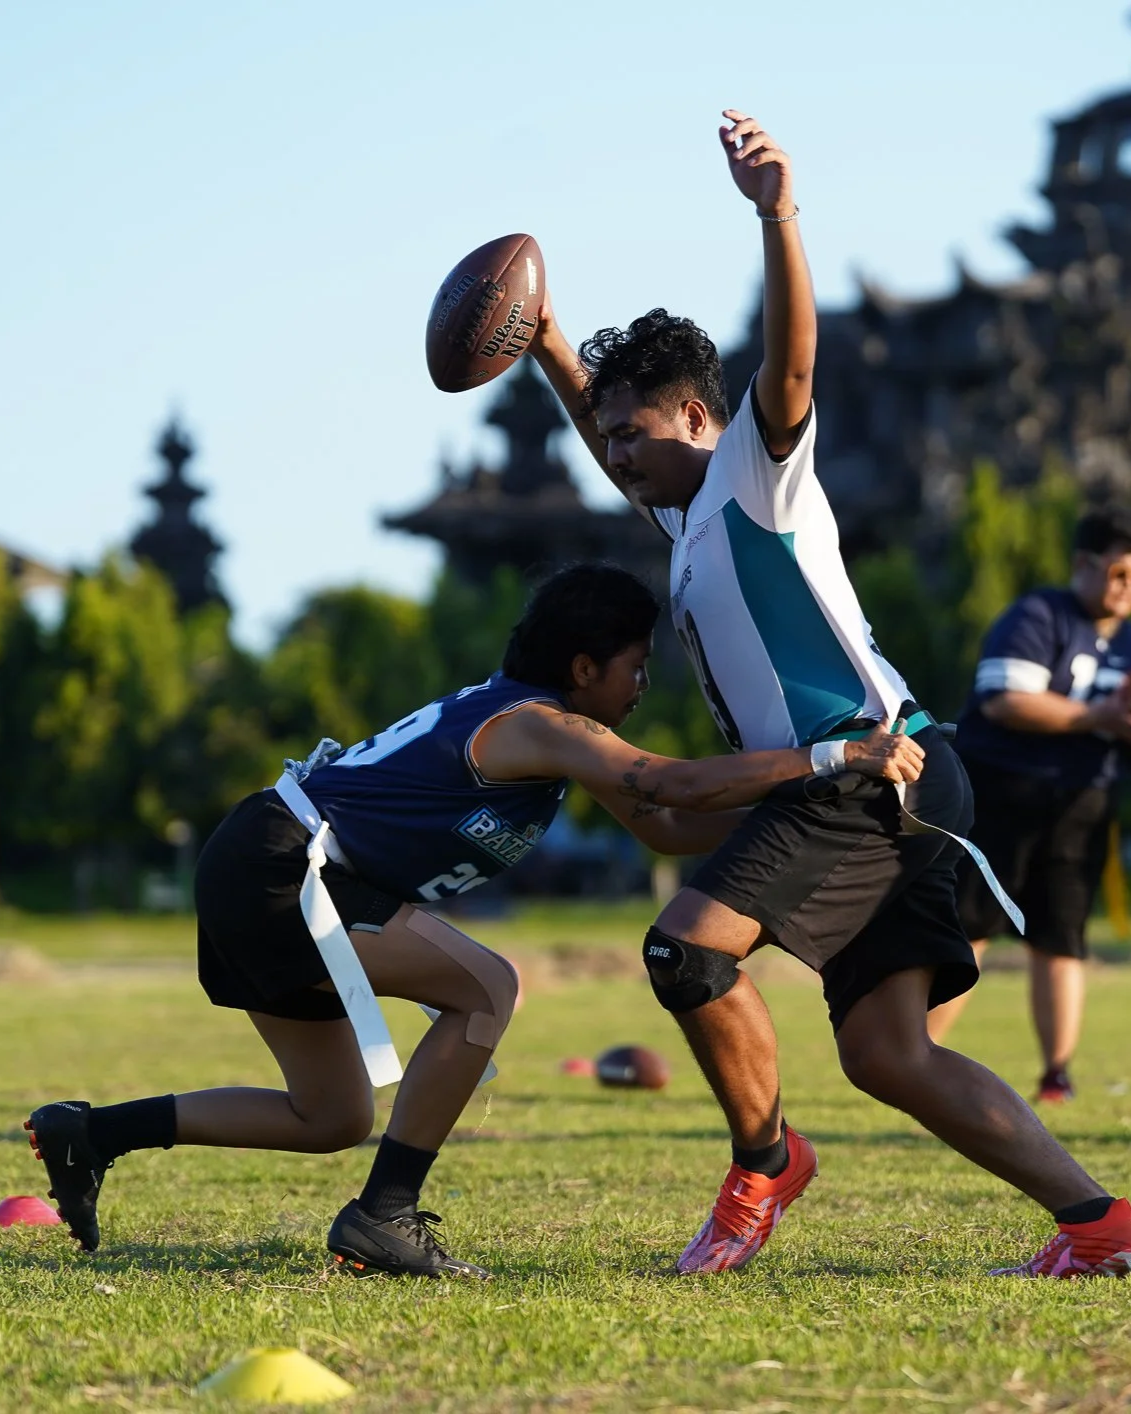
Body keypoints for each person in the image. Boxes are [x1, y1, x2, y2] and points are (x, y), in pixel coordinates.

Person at [529, 112, 1131, 1279]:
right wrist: (552, 339)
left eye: (634, 432)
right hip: (892, 768)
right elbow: (603, 426)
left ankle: (766, 1161)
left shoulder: (756, 469)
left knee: (686, 953)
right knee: (891, 1055)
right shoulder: (684, 508)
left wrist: (776, 213)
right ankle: (1103, 1224)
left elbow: (792, 360)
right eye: (608, 436)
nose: (617, 455)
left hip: (861, 769)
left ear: (702, 417)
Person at [25, 563, 921, 1281]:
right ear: (582, 670)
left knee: (329, 1114)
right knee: (488, 986)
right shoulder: (537, 723)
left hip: (265, 857)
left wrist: (814, 806)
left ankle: (92, 1133)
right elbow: (667, 781)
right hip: (280, 866)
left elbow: (670, 825)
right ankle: (383, 1218)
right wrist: (829, 753)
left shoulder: (542, 732)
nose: (643, 683)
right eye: (635, 664)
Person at [927, 508, 1131, 1102]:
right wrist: (1098, 717)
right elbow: (1006, 700)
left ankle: (1056, 1074)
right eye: (1119, 573)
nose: (1126, 589)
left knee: (1061, 935)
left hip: (1084, 800)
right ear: (1083, 566)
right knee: (972, 925)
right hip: (1005, 791)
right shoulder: (1039, 615)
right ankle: (917, 1056)